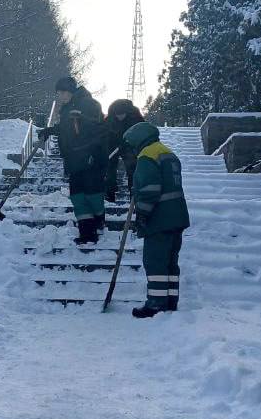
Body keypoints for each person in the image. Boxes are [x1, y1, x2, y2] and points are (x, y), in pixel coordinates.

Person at [122, 121, 190, 318]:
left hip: (160, 218)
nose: (131, 149)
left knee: (155, 262)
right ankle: (170, 301)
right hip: (178, 217)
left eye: (131, 144)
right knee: (170, 262)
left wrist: (142, 214)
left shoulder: (147, 156)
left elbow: (150, 189)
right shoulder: (168, 153)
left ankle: (156, 304)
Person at [40, 76, 107, 244]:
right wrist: (50, 131)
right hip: (73, 159)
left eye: (61, 92)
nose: (59, 96)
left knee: (92, 194)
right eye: (58, 93)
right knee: (77, 196)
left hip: (90, 158)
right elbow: (67, 129)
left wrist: (94, 152)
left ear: (69, 91)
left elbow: (98, 129)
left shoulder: (90, 104)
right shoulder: (66, 108)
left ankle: (99, 219)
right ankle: (87, 233)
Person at [103, 98, 144, 203]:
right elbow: (105, 134)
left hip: (129, 144)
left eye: (122, 114)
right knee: (110, 167)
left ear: (127, 112)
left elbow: (141, 131)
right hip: (113, 144)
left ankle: (133, 196)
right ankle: (109, 195)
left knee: (132, 169)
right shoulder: (110, 118)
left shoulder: (135, 118)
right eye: (117, 115)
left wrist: (129, 143)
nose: (119, 117)